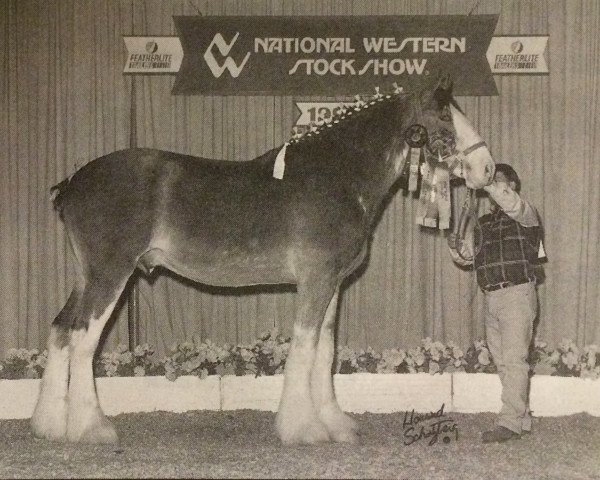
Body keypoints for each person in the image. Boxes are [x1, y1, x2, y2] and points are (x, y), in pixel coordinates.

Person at [448, 163, 545, 443]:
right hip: (491, 295)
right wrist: (457, 250)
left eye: (499, 182)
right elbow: (468, 258)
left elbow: (510, 203)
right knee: (503, 361)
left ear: (512, 187)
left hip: (518, 293)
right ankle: (521, 418)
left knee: (514, 359)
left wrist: (483, 178)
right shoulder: (483, 223)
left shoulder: (526, 213)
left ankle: (510, 422)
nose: (493, 188)